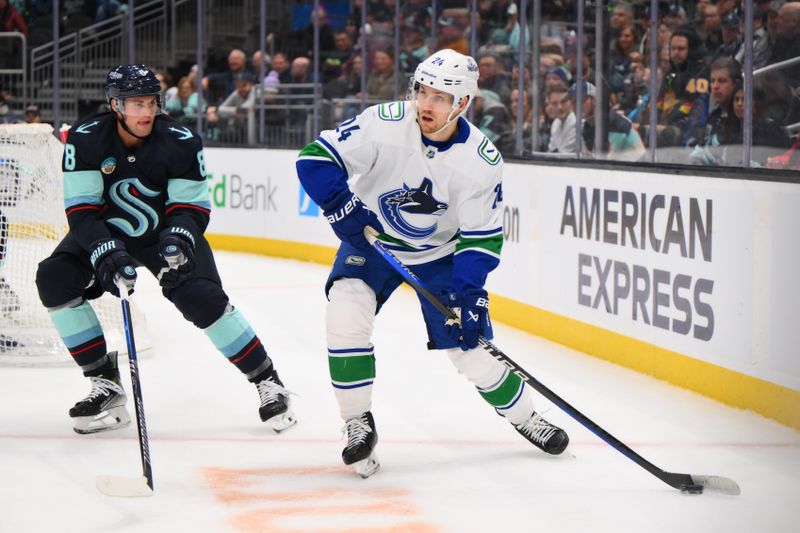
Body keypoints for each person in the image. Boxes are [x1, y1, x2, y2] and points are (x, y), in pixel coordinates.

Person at [295, 49, 569, 478]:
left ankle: (525, 417)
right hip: (373, 243)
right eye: (422, 91)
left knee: (472, 352)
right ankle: (356, 422)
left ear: (463, 104)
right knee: (344, 313)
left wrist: (470, 294)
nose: (426, 103)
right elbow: (313, 158)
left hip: (438, 256)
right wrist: (340, 205)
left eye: (441, 97)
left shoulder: (481, 161)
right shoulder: (385, 122)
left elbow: (480, 238)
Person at [35, 65, 296, 435]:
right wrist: (106, 252)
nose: (145, 112)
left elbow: (191, 207)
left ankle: (267, 380)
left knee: (201, 297)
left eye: (151, 102)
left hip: (162, 236)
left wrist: (177, 237)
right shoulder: (85, 136)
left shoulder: (182, 139)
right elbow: (82, 209)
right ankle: (104, 384)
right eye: (135, 103)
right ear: (115, 104)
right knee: (54, 278)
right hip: (105, 231)